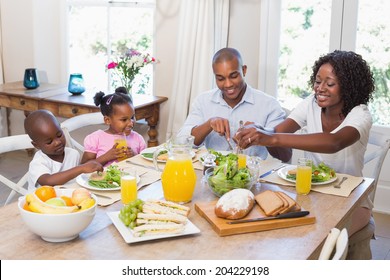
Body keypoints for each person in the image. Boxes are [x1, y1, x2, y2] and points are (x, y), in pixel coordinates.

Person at [234, 50, 375, 237]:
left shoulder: (360, 114)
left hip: (351, 200)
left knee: (323, 239)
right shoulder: (311, 103)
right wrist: (259, 130)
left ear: (348, 87)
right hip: (312, 194)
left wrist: (270, 137)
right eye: (318, 81)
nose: (320, 88)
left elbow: (334, 142)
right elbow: (278, 132)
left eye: (330, 83)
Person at [178, 47, 291, 162]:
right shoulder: (203, 101)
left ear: (244, 70)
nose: (228, 84)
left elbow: (286, 156)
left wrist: (264, 135)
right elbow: (181, 143)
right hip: (213, 174)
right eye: (220, 78)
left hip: (251, 175)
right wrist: (208, 124)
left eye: (233, 76)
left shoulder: (269, 105)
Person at [24, 110, 103, 192]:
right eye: (49, 142)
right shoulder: (39, 162)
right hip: (42, 202)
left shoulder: (73, 154)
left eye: (59, 135)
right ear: (37, 145)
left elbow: (77, 180)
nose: (57, 142)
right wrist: (81, 168)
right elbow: (48, 181)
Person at [81, 87, 147, 166]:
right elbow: (83, 167)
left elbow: (145, 165)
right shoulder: (96, 139)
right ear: (107, 120)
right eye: (124, 119)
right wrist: (106, 157)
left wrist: (134, 157)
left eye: (132, 117)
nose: (130, 123)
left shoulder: (138, 139)